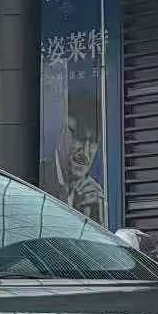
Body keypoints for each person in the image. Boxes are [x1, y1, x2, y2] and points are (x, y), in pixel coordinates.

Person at [53, 91, 107, 225]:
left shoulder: (94, 192)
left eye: (93, 141)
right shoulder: (40, 180)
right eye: (79, 138)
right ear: (60, 135)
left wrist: (97, 218)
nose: (85, 152)